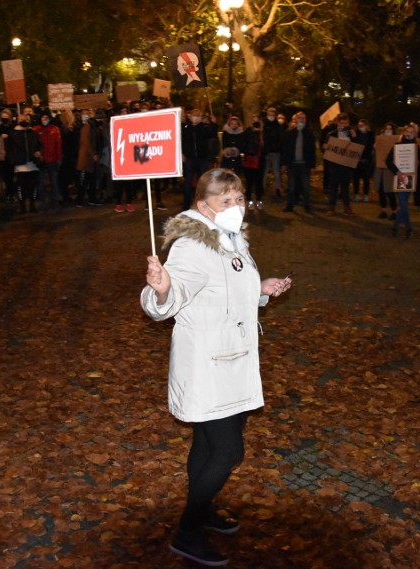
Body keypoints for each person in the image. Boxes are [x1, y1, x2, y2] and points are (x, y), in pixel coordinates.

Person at [141, 168, 292, 566]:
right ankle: (187, 531)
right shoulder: (193, 244)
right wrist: (162, 289)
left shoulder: (231, 240)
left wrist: (261, 290)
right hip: (207, 365)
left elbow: (227, 288)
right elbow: (172, 297)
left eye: (239, 198)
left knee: (206, 445)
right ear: (202, 204)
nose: (236, 206)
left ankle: (202, 509)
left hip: (234, 361)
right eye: (226, 200)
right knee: (227, 452)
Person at [385, 124, 420, 236]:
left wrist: (418, 163)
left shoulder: (416, 147)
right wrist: (397, 171)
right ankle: (406, 228)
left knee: (404, 204)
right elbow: (388, 161)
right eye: (407, 131)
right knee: (403, 204)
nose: (409, 134)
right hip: (400, 177)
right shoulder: (397, 146)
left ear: (414, 134)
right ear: (404, 132)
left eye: (412, 132)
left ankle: (397, 227)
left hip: (411, 178)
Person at [282, 111, 317, 213]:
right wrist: (284, 163)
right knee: (291, 186)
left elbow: (312, 151)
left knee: (306, 187)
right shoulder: (290, 133)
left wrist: (312, 165)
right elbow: (286, 150)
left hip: (304, 165)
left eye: (304, 118)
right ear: (296, 120)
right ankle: (290, 205)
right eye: (300, 118)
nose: (302, 120)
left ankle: (307, 205)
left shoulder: (309, 134)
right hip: (292, 164)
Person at [182, 108, 216, 211]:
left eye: (198, 115)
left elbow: (212, 134)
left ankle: (202, 204)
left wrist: (214, 123)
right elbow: (182, 141)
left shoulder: (204, 128)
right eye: (194, 115)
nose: (196, 117)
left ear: (201, 118)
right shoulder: (186, 128)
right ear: (190, 116)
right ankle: (187, 204)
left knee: (201, 182)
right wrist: (182, 153)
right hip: (190, 158)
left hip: (202, 158)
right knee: (188, 182)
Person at [7, 113, 42, 214]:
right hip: (20, 166)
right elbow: (9, 149)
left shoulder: (33, 133)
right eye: (21, 119)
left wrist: (39, 152)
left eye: (26, 119)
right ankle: (22, 207)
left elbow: (39, 145)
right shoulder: (13, 134)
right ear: (17, 120)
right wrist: (13, 160)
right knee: (21, 188)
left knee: (33, 187)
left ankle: (32, 205)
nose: (24, 120)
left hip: (33, 165)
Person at [323, 113, 357, 215]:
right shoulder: (331, 134)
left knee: (345, 187)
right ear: (338, 123)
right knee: (333, 186)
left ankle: (347, 207)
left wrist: (355, 137)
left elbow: (357, 148)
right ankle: (331, 207)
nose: (344, 125)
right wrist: (325, 147)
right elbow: (325, 147)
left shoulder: (351, 134)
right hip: (334, 165)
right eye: (342, 123)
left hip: (346, 165)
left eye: (346, 123)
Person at [34, 112, 63, 209]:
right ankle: (41, 200)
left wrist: (58, 159)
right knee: (40, 182)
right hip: (41, 161)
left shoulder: (54, 129)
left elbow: (58, 145)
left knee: (54, 181)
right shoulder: (36, 130)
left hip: (52, 160)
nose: (44, 119)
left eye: (46, 117)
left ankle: (55, 200)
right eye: (43, 117)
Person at [375, 122, 398, 220]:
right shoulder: (380, 139)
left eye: (390, 129)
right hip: (380, 167)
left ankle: (394, 212)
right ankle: (383, 210)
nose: (388, 131)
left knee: (390, 191)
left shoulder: (396, 140)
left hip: (389, 168)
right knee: (381, 191)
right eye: (387, 129)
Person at [261, 107, 284, 199]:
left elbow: (280, 138)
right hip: (266, 151)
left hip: (275, 151)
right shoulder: (263, 123)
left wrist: (277, 148)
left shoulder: (278, 125)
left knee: (276, 171)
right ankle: (262, 188)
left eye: (273, 112)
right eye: (270, 111)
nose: (271, 113)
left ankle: (278, 188)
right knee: (264, 170)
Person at [242, 114, 264, 209]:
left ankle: (259, 200)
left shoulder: (263, 132)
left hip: (260, 160)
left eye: (257, 120)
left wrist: (260, 133)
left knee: (259, 182)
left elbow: (265, 146)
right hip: (249, 160)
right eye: (253, 119)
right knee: (249, 182)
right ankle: (249, 200)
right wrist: (254, 133)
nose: (255, 122)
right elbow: (244, 145)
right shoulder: (247, 132)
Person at [352, 119, 375, 202]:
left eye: (362, 126)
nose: (360, 127)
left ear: (366, 126)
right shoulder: (356, 134)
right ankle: (356, 194)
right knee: (356, 178)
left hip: (366, 160)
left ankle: (365, 194)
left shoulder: (370, 135)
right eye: (359, 126)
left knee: (366, 179)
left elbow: (370, 146)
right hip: (357, 160)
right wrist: (354, 137)